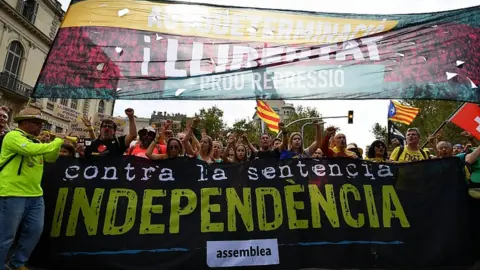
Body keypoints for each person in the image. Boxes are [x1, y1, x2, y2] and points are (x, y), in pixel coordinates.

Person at [0, 107, 64, 270]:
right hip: (12, 193)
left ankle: (17, 263)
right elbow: (30, 150)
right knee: (6, 236)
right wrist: (57, 141)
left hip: (35, 195)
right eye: (38, 123)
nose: (41, 127)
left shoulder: (36, 141)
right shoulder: (13, 136)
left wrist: (53, 145)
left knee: (34, 231)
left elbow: (51, 157)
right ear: (26, 123)